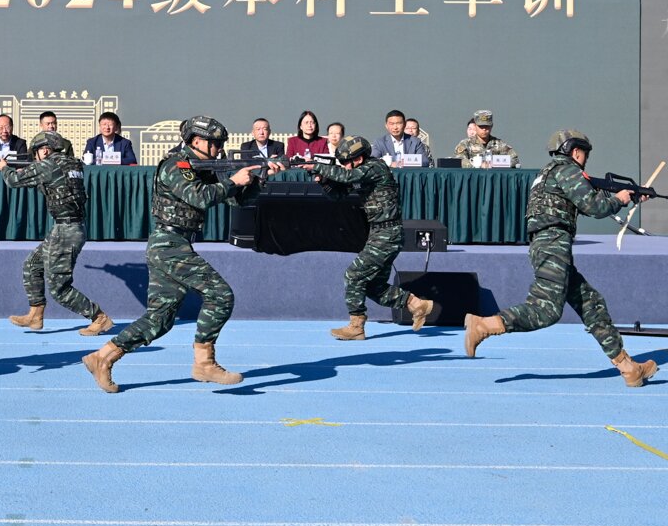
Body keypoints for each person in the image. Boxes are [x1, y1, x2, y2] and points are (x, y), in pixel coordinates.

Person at [82, 116, 282, 393]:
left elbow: (236, 200)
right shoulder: (177, 164)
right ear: (196, 141)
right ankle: (204, 363)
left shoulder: (202, 167)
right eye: (214, 144)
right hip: (169, 243)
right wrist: (233, 181)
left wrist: (260, 179)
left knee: (159, 320)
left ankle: (102, 357)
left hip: (175, 243)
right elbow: (200, 197)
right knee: (220, 295)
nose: (218, 149)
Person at [464, 130, 658, 387]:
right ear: (575, 151)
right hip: (554, 244)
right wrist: (619, 200)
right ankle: (485, 325)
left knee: (591, 304)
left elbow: (581, 200)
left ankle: (628, 368)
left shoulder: (548, 173)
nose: (585, 159)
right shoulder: (568, 171)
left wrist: (628, 195)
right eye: (585, 154)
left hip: (548, 244)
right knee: (546, 310)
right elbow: (594, 206)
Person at [310, 135, 433, 340]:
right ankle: (416, 304)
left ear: (358, 159)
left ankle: (356, 326)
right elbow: (338, 195)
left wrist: (317, 166)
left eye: (346, 162)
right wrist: (323, 181)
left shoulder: (375, 167)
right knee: (374, 287)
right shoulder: (362, 174)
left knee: (353, 276)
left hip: (387, 234)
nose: (344, 166)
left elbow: (346, 176)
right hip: (380, 233)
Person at [0, 131, 112, 336]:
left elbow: (13, 181)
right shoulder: (72, 164)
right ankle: (35, 314)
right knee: (32, 265)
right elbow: (56, 185)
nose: (36, 156)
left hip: (66, 230)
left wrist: (4, 168)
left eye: (37, 151)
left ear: (45, 150)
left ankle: (99, 317)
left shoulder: (48, 165)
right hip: (68, 228)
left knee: (59, 289)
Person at [454, 110, 520, 168]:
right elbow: (459, 161)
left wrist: (495, 164)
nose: (484, 129)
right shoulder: (466, 144)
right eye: (481, 126)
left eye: (487, 126)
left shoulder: (499, 144)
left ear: (491, 126)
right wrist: (478, 164)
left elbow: (515, 159)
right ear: (475, 126)